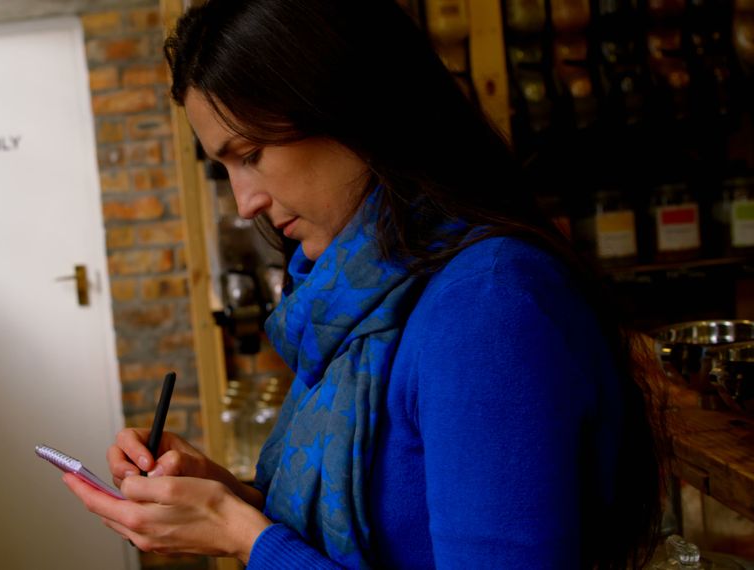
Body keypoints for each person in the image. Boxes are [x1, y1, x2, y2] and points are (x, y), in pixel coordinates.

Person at [62, 0, 664, 568]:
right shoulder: (354, 300)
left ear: (348, 108)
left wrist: (242, 533)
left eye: (250, 152)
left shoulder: (486, 306)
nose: (245, 202)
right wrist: (226, 499)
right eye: (224, 169)